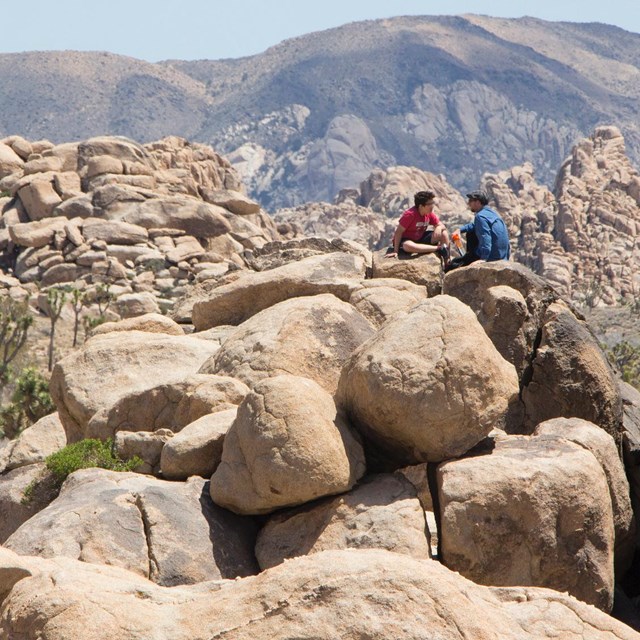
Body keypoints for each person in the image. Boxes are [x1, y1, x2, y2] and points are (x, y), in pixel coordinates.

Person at [446, 190, 510, 272]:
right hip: (502, 256)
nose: (468, 203)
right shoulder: (492, 213)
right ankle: (470, 256)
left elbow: (485, 237)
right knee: (471, 232)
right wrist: (460, 229)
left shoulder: (480, 217)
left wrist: (483, 259)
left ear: (478, 202)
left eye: (470, 201)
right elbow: (474, 225)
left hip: (491, 257)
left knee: (453, 265)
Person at [386, 191, 450, 264]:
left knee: (444, 233)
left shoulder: (429, 214)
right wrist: (395, 251)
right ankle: (439, 249)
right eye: (429, 204)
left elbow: (442, 226)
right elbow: (398, 232)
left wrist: (439, 228)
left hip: (420, 237)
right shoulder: (410, 215)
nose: (432, 206)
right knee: (407, 246)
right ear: (421, 206)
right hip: (406, 240)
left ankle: (447, 261)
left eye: (432, 203)